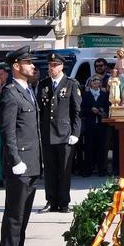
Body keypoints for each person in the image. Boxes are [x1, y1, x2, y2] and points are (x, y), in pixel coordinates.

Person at [0, 46, 43, 246]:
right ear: (16, 66)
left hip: (31, 162)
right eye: (28, 62)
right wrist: (15, 159)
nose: (32, 65)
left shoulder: (27, 90)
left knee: (23, 215)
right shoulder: (10, 93)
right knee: (15, 215)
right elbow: (8, 131)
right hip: (20, 164)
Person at [37, 53, 81, 212]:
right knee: (49, 170)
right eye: (50, 65)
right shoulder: (43, 84)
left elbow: (77, 111)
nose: (51, 68)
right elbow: (40, 111)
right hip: (48, 133)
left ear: (61, 66)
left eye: (55, 65)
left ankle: (64, 202)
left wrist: (75, 133)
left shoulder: (71, 84)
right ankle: (51, 201)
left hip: (64, 134)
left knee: (64, 170)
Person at [80, 72, 109, 177]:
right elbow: (82, 109)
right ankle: (88, 169)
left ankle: (102, 169)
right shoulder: (86, 95)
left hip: (101, 124)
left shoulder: (104, 95)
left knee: (102, 147)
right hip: (90, 124)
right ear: (90, 83)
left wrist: (102, 111)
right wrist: (91, 110)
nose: (96, 82)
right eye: (94, 80)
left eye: (98, 80)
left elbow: (107, 107)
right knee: (89, 147)